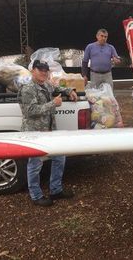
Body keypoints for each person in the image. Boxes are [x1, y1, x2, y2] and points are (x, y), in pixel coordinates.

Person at [18, 59, 78, 207]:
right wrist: (53, 104)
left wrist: (69, 90)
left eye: (45, 70)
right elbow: (29, 112)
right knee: (35, 164)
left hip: (49, 131)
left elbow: (57, 87)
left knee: (59, 157)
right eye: (40, 70)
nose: (43, 72)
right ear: (33, 71)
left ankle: (55, 190)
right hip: (35, 132)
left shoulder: (46, 84)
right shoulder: (27, 89)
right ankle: (36, 196)